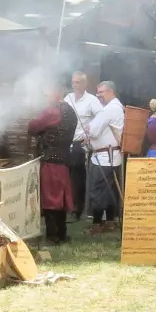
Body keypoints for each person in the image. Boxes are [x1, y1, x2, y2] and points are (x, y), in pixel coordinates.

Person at [29, 79, 79, 243]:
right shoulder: (71, 111)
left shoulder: (51, 112)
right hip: (64, 160)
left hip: (50, 160)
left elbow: (32, 127)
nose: (45, 95)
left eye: (48, 91)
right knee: (62, 198)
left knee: (50, 199)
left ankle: (52, 235)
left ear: (57, 91)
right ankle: (62, 233)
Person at [86, 80, 126, 229]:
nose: (99, 95)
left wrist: (89, 129)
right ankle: (109, 221)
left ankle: (97, 224)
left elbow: (93, 131)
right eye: (98, 92)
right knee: (110, 192)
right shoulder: (117, 107)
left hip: (104, 157)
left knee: (98, 191)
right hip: (111, 155)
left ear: (111, 92)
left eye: (102, 92)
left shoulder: (109, 109)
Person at [65, 72, 100, 222]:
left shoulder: (92, 101)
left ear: (85, 84)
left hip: (81, 143)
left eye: (78, 82)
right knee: (67, 176)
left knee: (78, 177)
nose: (75, 85)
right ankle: (68, 206)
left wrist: (89, 134)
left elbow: (100, 119)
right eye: (73, 82)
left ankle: (77, 209)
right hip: (67, 142)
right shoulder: (68, 98)